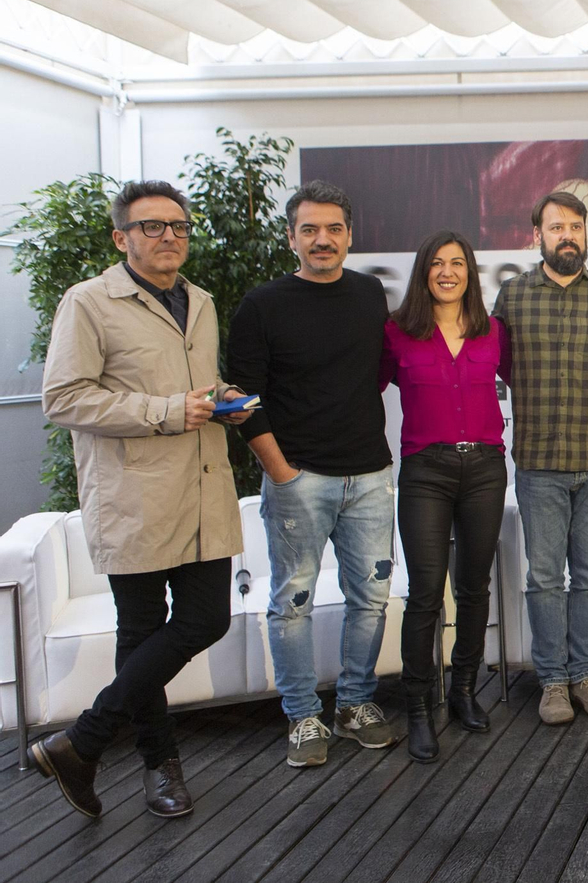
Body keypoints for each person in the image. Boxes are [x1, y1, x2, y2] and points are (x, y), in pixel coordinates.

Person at [31, 181, 251, 819]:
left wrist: (219, 400)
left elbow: (187, 386)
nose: (169, 238)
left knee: (207, 617)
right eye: (153, 227)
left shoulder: (201, 301)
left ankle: (83, 742)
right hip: (132, 494)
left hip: (203, 488)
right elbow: (64, 398)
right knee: (142, 632)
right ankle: (161, 768)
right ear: (120, 237)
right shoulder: (89, 302)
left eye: (179, 227)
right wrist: (169, 410)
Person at [229, 179, 398, 767]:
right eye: (309, 230)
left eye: (333, 229)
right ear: (291, 237)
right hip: (300, 480)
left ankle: (354, 705)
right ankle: (302, 716)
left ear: (349, 236)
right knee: (292, 601)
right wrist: (281, 472)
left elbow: (374, 373)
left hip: (372, 476)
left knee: (371, 599)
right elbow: (243, 397)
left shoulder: (370, 293)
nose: (322, 240)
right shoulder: (262, 305)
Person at [494, 191, 588, 726]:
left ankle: (585, 677)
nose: (566, 234)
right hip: (539, 462)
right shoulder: (511, 296)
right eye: (555, 227)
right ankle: (552, 682)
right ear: (537, 236)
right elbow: (498, 369)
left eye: (575, 225)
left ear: (587, 232)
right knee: (545, 577)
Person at [380, 231, 508, 761]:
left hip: (484, 468)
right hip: (425, 472)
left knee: (475, 588)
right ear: (423, 272)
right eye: (437, 263)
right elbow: (358, 391)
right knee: (427, 592)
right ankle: (419, 709)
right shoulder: (396, 333)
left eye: (457, 263)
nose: (448, 272)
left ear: (470, 272)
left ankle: (462, 692)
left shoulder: (492, 331)